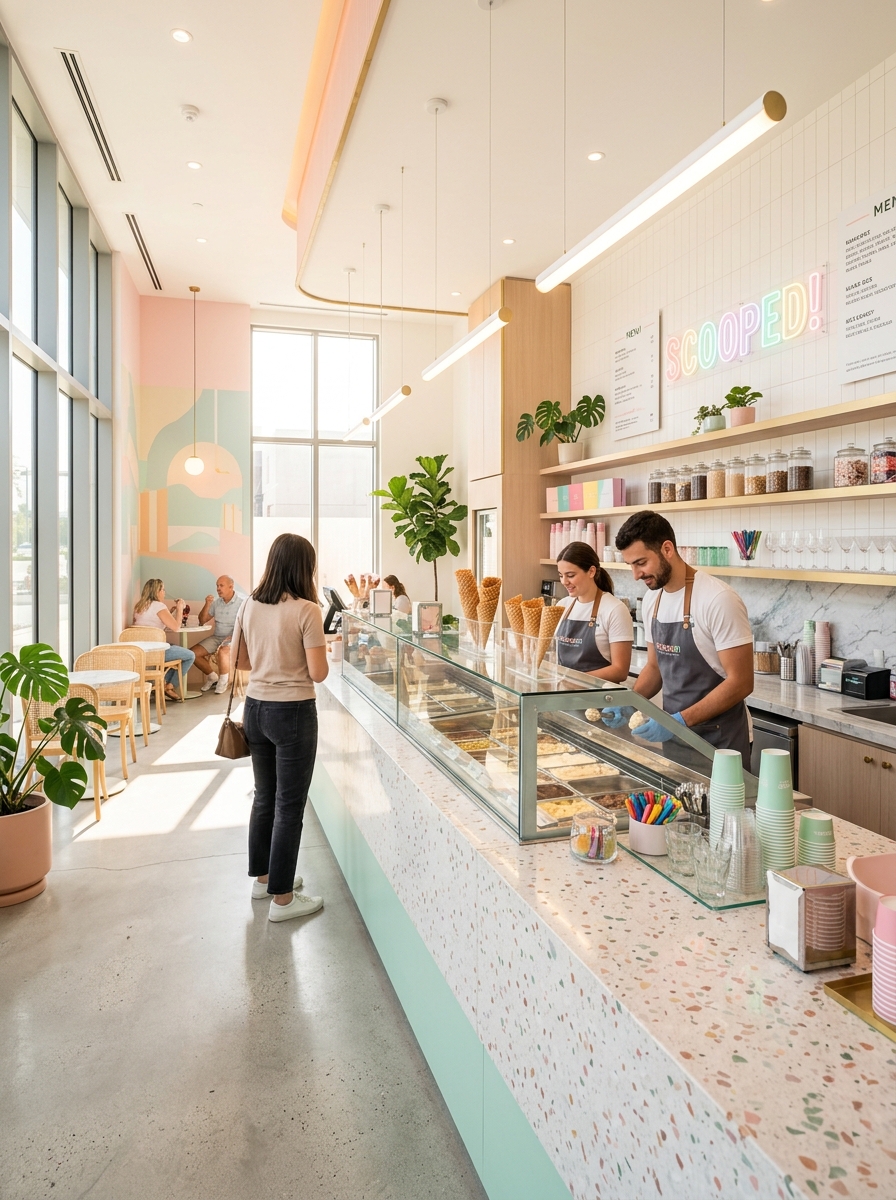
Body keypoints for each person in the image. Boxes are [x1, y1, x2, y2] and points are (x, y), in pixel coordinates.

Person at [232, 533, 328, 923]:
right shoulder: (307, 610)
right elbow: (318, 673)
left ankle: (264, 880)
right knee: (289, 806)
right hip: (293, 713)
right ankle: (284, 900)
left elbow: (239, 662)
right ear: (304, 568)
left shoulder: (249, 605)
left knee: (264, 798)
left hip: (254, 709)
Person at [614, 510, 754, 762]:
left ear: (667, 549)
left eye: (641, 563)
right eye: (631, 566)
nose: (636, 575)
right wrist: (631, 701)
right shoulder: (652, 599)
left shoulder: (718, 599)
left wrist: (678, 722)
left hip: (721, 741)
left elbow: (741, 682)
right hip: (676, 739)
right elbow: (655, 667)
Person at [554, 542, 632, 682]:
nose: (564, 581)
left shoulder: (615, 610)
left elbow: (620, 671)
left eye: (570, 575)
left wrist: (574, 680)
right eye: (561, 575)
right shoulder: (562, 606)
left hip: (599, 700)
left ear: (591, 571)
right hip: (564, 696)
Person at [133, 579, 196, 702]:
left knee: (175, 650)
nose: (164, 593)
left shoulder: (139, 606)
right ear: (157, 591)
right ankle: (169, 686)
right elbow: (176, 628)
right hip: (156, 653)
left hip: (141, 652)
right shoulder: (159, 606)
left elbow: (153, 623)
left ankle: (164, 683)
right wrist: (179, 609)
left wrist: (170, 612)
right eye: (163, 589)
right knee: (190, 655)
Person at [194, 575, 244, 694]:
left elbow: (248, 624)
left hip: (235, 637)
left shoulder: (242, 603)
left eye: (221, 585)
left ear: (231, 587)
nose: (218, 588)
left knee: (223, 651)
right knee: (193, 654)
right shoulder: (216, 603)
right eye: (217, 586)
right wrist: (207, 603)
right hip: (217, 637)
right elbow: (202, 620)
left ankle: (223, 681)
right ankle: (212, 677)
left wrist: (234, 635)